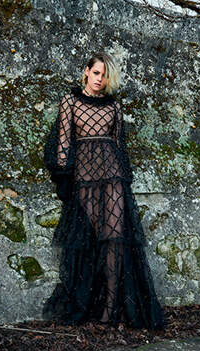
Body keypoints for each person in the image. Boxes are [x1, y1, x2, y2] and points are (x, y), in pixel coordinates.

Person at [43, 52, 166, 329]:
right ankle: (88, 302)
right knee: (90, 238)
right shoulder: (70, 101)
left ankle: (110, 308)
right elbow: (63, 141)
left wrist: (125, 179)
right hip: (84, 176)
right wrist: (63, 175)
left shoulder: (114, 106)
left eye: (105, 75)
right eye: (96, 73)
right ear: (86, 71)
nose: (100, 79)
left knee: (114, 239)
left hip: (113, 175)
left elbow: (119, 144)